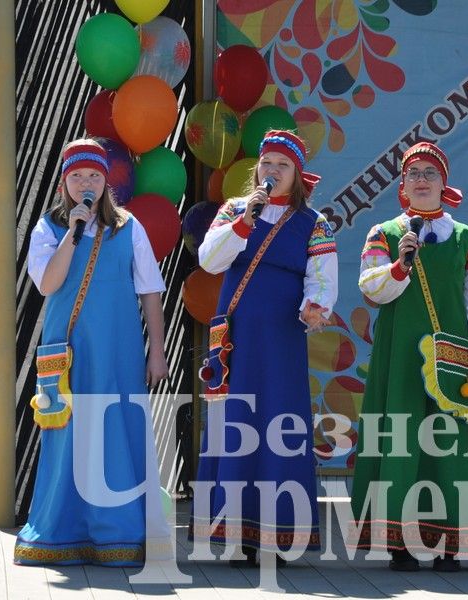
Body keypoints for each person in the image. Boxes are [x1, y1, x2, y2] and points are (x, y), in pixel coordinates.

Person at [14, 138, 169, 567]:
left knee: (116, 428)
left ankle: (119, 534)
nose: (86, 182)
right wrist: (73, 234)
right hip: (69, 348)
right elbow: (48, 284)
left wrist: (156, 351)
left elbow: (151, 290)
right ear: (65, 181)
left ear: (106, 180)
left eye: (94, 175)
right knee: (67, 434)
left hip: (117, 347)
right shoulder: (48, 228)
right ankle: (62, 532)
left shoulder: (129, 227)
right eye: (77, 175)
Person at [350, 142, 468, 572]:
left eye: (430, 173)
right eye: (413, 172)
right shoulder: (384, 234)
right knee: (400, 442)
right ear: (402, 185)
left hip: (453, 362)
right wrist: (400, 265)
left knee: (451, 447)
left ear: (443, 183)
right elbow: (371, 287)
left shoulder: (465, 239)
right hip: (400, 359)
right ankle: (400, 542)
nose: (421, 179)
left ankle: (450, 544)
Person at [192, 129, 338, 566]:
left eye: (283, 165)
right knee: (235, 423)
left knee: (277, 422)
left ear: (297, 174)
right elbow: (209, 260)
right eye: (268, 163)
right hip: (236, 338)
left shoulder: (315, 223)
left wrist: (316, 305)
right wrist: (243, 221)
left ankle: (277, 531)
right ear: (257, 168)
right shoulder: (236, 210)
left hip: (280, 340)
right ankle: (234, 533)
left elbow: (323, 277)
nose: (273, 171)